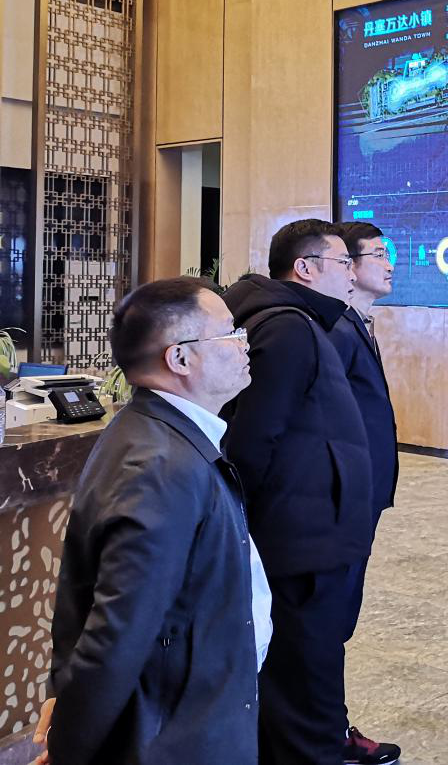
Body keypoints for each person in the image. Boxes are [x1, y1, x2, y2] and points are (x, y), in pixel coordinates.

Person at [42, 277, 268, 764]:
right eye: (230, 333)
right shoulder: (159, 465)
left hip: (197, 712)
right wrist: (67, 748)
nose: (244, 343)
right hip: (175, 736)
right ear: (180, 358)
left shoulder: (161, 433)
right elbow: (118, 632)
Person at [222, 220, 375, 765]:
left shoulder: (300, 322)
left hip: (308, 535)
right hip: (301, 544)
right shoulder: (287, 328)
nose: (352, 273)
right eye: (343, 262)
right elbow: (253, 439)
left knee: (304, 681)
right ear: (305, 268)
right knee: (303, 692)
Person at [327, 221, 401, 766]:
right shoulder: (335, 329)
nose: (390, 263)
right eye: (378, 254)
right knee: (330, 618)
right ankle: (327, 731)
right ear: (347, 267)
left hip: (363, 496)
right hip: (343, 501)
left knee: (340, 616)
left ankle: (328, 723)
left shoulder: (359, 324)